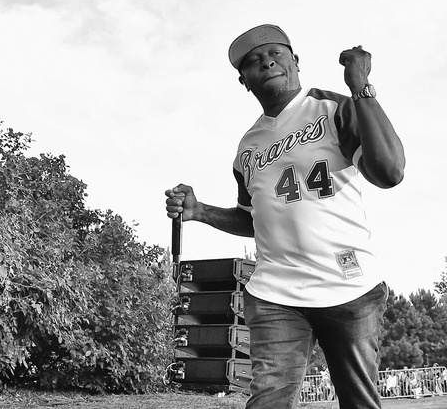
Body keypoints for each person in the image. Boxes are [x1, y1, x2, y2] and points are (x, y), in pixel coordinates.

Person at [165, 24, 405, 409]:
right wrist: (200, 212)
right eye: (254, 61)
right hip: (276, 292)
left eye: (276, 53)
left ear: (295, 60)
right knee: (268, 402)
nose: (267, 62)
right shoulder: (248, 146)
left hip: (347, 286)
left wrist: (361, 88)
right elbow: (254, 218)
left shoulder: (335, 107)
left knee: (359, 402)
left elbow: (390, 172)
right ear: (243, 80)